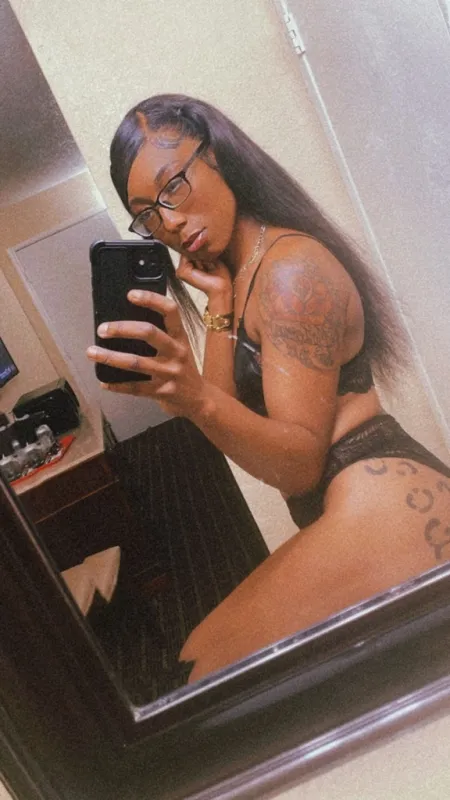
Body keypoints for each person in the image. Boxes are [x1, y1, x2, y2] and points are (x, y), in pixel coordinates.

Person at [87, 94, 450, 683]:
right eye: (147, 214)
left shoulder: (290, 271)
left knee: (202, 674)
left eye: (172, 186)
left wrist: (193, 396)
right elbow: (226, 418)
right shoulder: (244, 273)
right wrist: (218, 303)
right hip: (353, 500)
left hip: (388, 502)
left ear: (219, 156)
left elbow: (299, 464)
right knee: (203, 664)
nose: (168, 222)